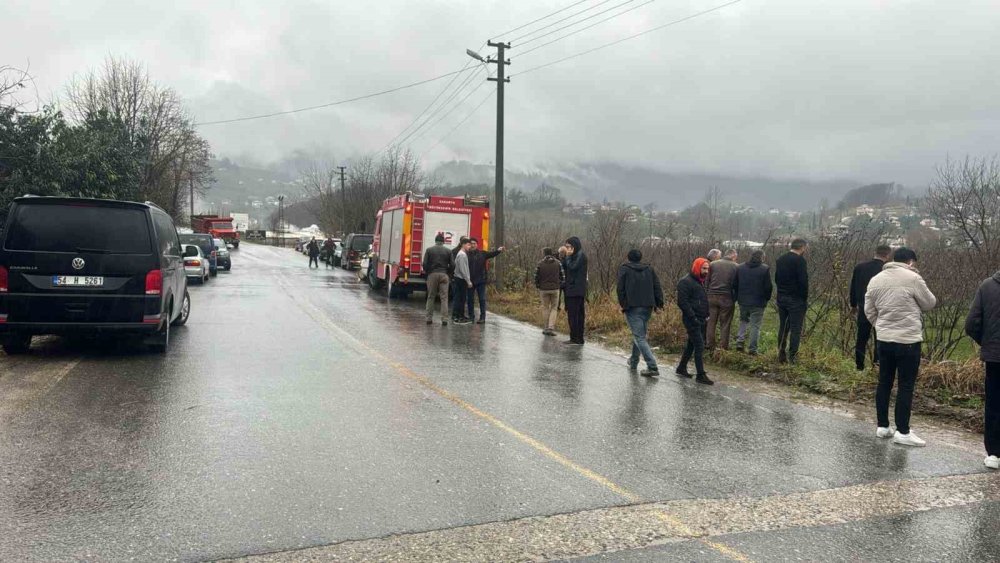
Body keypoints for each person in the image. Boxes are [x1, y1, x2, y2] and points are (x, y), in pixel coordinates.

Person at [865, 247, 936, 447]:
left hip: (884, 339)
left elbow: (869, 310)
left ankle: (882, 426)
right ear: (911, 262)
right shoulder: (913, 278)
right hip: (908, 340)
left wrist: (881, 326)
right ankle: (903, 430)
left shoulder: (876, 279)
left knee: (884, 381)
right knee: (905, 385)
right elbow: (930, 303)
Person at [965, 268, 1000, 469]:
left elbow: (971, 323)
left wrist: (986, 343)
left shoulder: (987, 285)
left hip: (994, 356)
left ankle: (994, 453)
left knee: (994, 403)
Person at [617, 249, 664, 376]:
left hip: (632, 307)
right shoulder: (649, 269)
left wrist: (623, 304)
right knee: (639, 334)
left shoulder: (624, 269)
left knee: (639, 337)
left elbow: (620, 288)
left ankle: (652, 366)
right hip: (648, 306)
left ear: (628, 257)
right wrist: (659, 304)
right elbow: (657, 286)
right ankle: (633, 361)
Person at [850, 245, 892, 370]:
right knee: (880, 338)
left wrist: (853, 305)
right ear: (888, 255)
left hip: (863, 307)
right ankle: (876, 365)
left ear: (875, 252)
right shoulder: (886, 271)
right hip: (881, 309)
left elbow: (853, 288)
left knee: (861, 339)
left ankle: (859, 366)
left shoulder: (860, 267)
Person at [677, 257, 713, 384]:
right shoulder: (685, 282)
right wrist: (693, 317)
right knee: (699, 345)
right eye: (704, 268)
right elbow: (682, 302)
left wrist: (707, 314)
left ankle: (681, 367)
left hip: (701, 318)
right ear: (697, 267)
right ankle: (700, 375)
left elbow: (702, 300)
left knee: (691, 345)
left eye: (707, 269)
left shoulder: (700, 281)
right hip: (692, 319)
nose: (706, 271)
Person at [775, 238, 809, 364]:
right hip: (796, 299)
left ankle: (781, 354)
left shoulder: (781, 259)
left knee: (783, 327)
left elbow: (777, 278)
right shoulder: (800, 260)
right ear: (802, 247)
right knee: (795, 329)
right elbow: (803, 281)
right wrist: (804, 298)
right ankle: (793, 357)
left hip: (782, 297)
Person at [734, 249, 773, 355]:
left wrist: (738, 297)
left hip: (743, 300)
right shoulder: (765, 269)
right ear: (762, 257)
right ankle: (752, 349)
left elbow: (735, 284)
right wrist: (766, 298)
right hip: (758, 302)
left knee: (743, 321)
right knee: (755, 326)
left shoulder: (740, 267)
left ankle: (739, 343)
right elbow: (768, 287)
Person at [706, 248, 739, 350]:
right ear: (733, 256)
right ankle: (723, 348)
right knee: (725, 323)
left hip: (711, 296)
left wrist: (707, 293)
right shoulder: (736, 266)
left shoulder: (713, 264)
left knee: (711, 322)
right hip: (727, 298)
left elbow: (707, 280)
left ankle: (710, 345)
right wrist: (734, 298)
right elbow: (737, 284)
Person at [465, 238, 505, 324]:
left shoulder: (483, 253)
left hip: (481, 281)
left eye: (474, 243)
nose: (472, 245)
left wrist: (499, 250)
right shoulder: (466, 254)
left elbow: (492, 254)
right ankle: (471, 317)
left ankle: (482, 318)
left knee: (482, 299)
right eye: (471, 244)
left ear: (477, 244)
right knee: (470, 300)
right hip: (470, 281)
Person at [422, 233, 453, 326]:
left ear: (435, 241)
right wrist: (449, 274)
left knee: (431, 296)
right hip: (444, 274)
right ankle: (444, 319)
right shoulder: (448, 251)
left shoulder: (429, 250)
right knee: (444, 298)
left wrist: (428, 272)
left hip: (433, 274)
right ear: (443, 242)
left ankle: (428, 318)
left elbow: (424, 264)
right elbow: (453, 264)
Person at [562, 236, 588, 345]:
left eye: (569, 247)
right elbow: (564, 267)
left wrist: (567, 257)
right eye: (566, 247)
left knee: (575, 315)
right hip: (572, 289)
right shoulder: (573, 256)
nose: (567, 249)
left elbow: (572, 267)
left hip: (576, 290)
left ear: (574, 246)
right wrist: (564, 257)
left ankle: (576, 338)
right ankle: (577, 337)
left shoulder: (580, 256)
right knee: (575, 314)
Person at [535, 247, 564, 336]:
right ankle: (551, 327)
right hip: (555, 289)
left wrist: (538, 286)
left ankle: (546, 327)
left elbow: (536, 277)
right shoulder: (558, 263)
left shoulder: (540, 263)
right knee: (554, 308)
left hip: (543, 289)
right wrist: (559, 284)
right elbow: (563, 276)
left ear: (544, 253)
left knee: (545, 307)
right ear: (551, 253)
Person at [451, 239, 474, 324]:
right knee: (460, 299)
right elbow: (463, 269)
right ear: (463, 245)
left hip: (460, 278)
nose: (470, 247)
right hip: (461, 279)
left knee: (460, 298)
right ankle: (458, 316)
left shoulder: (462, 254)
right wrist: (468, 281)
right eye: (468, 245)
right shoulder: (462, 255)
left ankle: (459, 315)